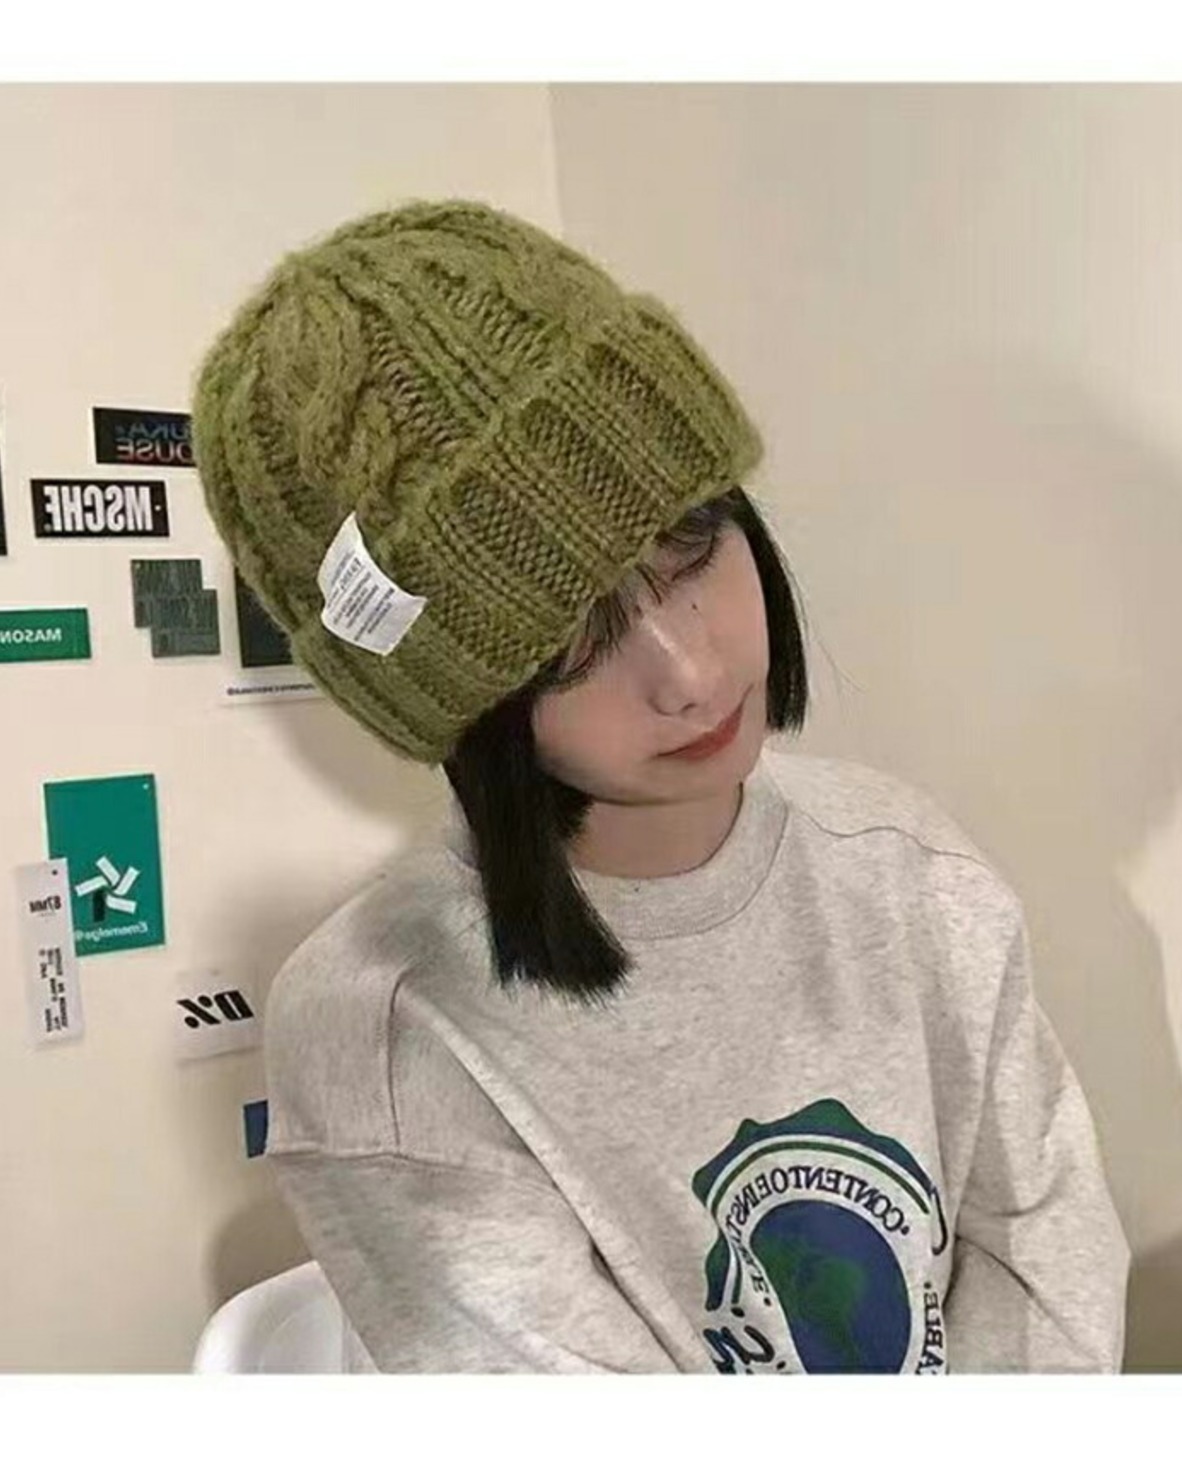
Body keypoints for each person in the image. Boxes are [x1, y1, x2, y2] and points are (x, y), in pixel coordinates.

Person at [190, 198, 1131, 1374]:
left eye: (689, 543)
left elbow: (1042, 1251)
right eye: (563, 637)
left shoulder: (903, 864)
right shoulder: (390, 1027)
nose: (688, 671)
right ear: (459, 699)